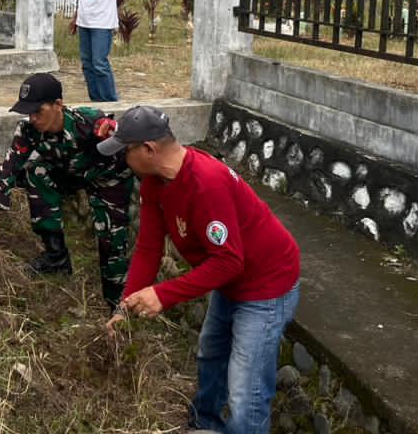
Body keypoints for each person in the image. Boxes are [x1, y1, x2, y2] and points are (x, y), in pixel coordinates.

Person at [102, 106, 301, 434]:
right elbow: (149, 248)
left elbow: (229, 261)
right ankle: (204, 425)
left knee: (245, 391)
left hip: (266, 283)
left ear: (148, 150)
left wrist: (163, 295)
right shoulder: (156, 183)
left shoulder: (206, 184)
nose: (123, 159)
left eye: (126, 151)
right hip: (231, 280)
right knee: (211, 354)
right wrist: (126, 305)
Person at [0, 73, 135, 309]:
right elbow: (6, 173)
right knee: (36, 170)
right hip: (71, 175)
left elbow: (117, 128)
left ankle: (118, 305)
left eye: (38, 111)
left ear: (58, 105)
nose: (33, 118)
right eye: (29, 112)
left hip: (108, 180)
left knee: (110, 240)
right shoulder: (28, 130)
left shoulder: (87, 122)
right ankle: (57, 258)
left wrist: (113, 128)